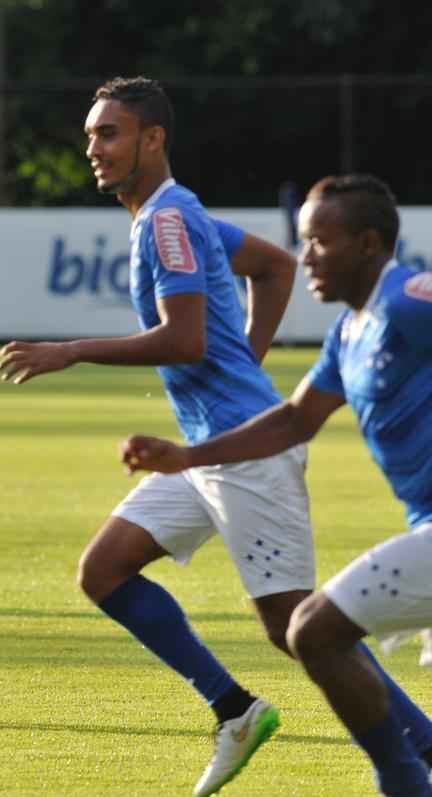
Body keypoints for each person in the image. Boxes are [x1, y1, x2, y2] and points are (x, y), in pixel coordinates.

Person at [0, 76, 427, 797]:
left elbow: (185, 337)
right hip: (211, 445)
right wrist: (246, 365)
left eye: (109, 133)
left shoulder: (167, 220)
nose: (94, 148)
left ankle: (421, 749)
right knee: (105, 569)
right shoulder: (172, 214)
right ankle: (235, 708)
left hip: (244, 450)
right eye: (92, 134)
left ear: (153, 139)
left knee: (300, 625)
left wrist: (70, 350)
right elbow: (276, 266)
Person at [121, 174, 432, 796]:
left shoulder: (407, 300)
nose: (305, 256)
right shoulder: (348, 333)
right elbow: (293, 420)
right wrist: (187, 457)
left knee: (313, 630)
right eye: (303, 240)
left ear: (368, 245)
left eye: (319, 241)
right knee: (314, 631)